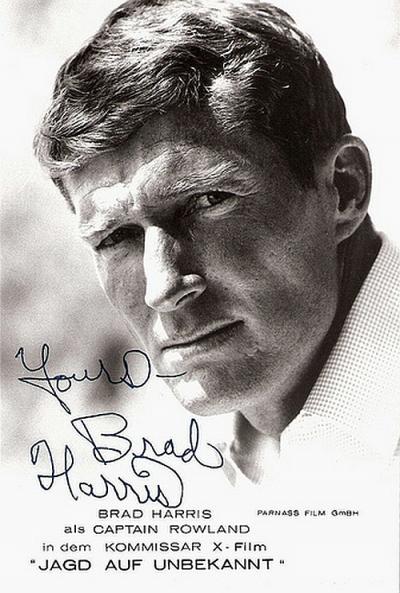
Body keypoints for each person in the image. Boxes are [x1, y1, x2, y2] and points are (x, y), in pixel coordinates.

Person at [33, 0, 400, 483]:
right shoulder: (166, 462)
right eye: (116, 237)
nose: (162, 288)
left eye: (206, 201)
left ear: (345, 189)